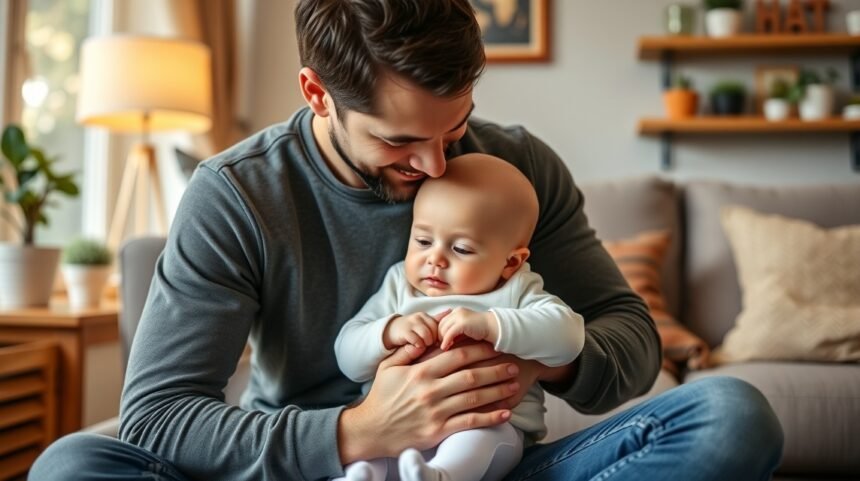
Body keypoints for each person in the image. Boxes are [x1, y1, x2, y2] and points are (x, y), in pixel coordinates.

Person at [30, 1, 783, 480]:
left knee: (732, 416)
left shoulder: (514, 166)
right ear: (318, 93)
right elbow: (160, 416)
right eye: (400, 142)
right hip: (316, 469)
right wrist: (362, 430)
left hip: (489, 462)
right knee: (72, 466)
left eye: (453, 128)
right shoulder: (238, 194)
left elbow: (633, 341)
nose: (434, 165)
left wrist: (535, 352)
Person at [335, 153, 585, 481]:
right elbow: (347, 356)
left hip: (490, 427)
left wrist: (494, 325)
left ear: (510, 262)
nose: (434, 259)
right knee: (367, 454)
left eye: (462, 249)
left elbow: (570, 338)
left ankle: (443, 476)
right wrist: (389, 331)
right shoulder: (400, 284)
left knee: (477, 440)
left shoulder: (515, 290)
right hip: (397, 428)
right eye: (423, 240)